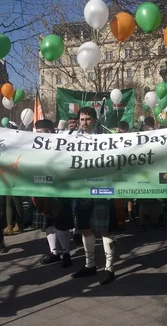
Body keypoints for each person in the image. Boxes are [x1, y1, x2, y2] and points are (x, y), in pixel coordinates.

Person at [71, 107, 118, 285]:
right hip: (81, 189)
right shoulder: (72, 139)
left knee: (105, 229)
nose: (84, 123)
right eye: (82, 119)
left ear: (95, 120)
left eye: (88, 119)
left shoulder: (105, 138)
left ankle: (109, 268)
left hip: (101, 188)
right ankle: (90, 265)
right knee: (85, 228)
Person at [33, 119, 74, 267]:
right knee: (48, 224)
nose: (42, 136)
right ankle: (54, 252)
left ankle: (66, 253)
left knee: (61, 225)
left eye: (45, 132)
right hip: (41, 190)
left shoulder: (61, 146)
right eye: (39, 133)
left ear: (52, 132)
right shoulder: (32, 148)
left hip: (59, 190)